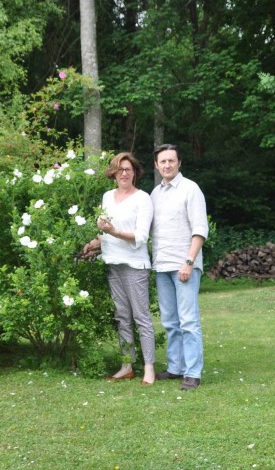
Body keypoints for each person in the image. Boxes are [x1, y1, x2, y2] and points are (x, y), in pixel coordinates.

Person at [83, 152, 156, 385]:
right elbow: (106, 231)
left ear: (135, 173)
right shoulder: (107, 197)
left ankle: (149, 368)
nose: (124, 173)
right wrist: (96, 242)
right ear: (113, 173)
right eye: (119, 169)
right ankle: (127, 366)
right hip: (112, 263)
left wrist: (113, 231)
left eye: (128, 169)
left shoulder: (143, 199)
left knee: (141, 317)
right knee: (122, 317)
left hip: (135, 265)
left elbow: (141, 237)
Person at [151, 144, 208, 391]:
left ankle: (193, 373)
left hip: (183, 265)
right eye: (162, 161)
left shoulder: (190, 189)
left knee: (188, 321)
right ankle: (176, 368)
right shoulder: (155, 193)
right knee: (170, 322)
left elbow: (200, 229)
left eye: (171, 161)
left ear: (179, 163)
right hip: (161, 265)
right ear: (156, 165)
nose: (167, 165)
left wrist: (188, 262)